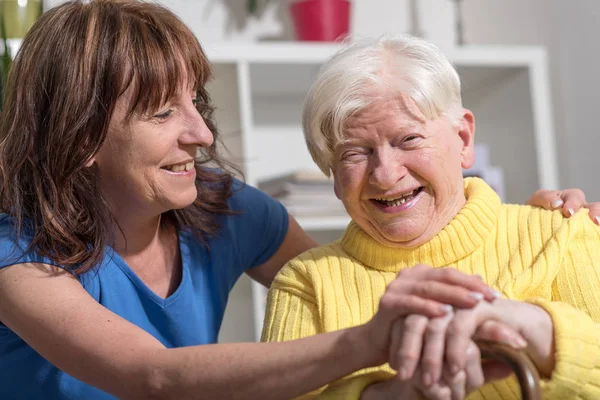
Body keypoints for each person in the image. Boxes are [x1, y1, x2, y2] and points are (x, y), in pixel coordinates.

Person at [0, 1, 593, 399]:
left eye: (194, 104)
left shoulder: (223, 207)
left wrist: (531, 226)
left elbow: (365, 267)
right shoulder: (13, 252)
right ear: (81, 139)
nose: (202, 135)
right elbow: (151, 376)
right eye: (161, 112)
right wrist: (370, 347)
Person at [262, 34, 600, 400]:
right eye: (354, 154)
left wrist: (541, 330)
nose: (385, 175)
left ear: (464, 139)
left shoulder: (563, 234)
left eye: (408, 139)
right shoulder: (306, 282)